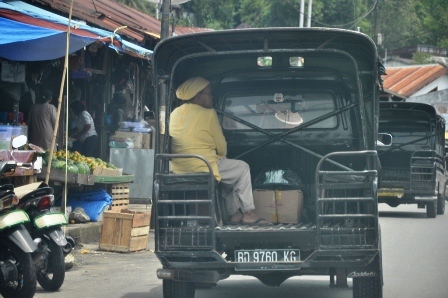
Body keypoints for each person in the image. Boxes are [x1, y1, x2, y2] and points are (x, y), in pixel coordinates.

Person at [169, 77, 269, 225]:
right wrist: (221, 156)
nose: (212, 97)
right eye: (209, 93)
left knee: (228, 175)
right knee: (241, 169)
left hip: (178, 168)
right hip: (204, 166)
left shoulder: (174, 114)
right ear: (198, 96)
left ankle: (234, 214)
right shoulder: (208, 114)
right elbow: (221, 147)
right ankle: (248, 212)